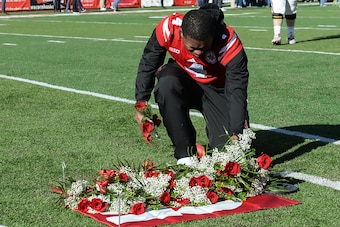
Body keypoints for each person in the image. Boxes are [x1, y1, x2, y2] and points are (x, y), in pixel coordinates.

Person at [134, 4, 250, 165]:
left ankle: (210, 145)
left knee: (231, 156)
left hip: (218, 89)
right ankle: (185, 153)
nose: (198, 53)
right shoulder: (169, 28)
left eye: (203, 48)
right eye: (193, 48)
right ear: (182, 34)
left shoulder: (229, 43)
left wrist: (236, 131)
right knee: (167, 83)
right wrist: (141, 103)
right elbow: (149, 62)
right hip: (185, 81)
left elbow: (237, 91)